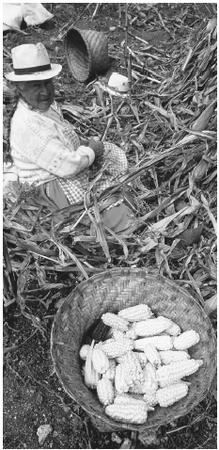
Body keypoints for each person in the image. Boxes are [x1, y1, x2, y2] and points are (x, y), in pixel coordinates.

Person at [5, 43, 136, 233]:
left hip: (65, 170)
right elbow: (66, 166)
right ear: (20, 88)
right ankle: (126, 230)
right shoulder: (27, 124)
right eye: (36, 86)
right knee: (109, 215)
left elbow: (59, 141)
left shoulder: (41, 108)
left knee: (115, 172)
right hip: (52, 188)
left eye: (47, 83)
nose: (45, 91)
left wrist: (82, 145)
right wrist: (91, 151)